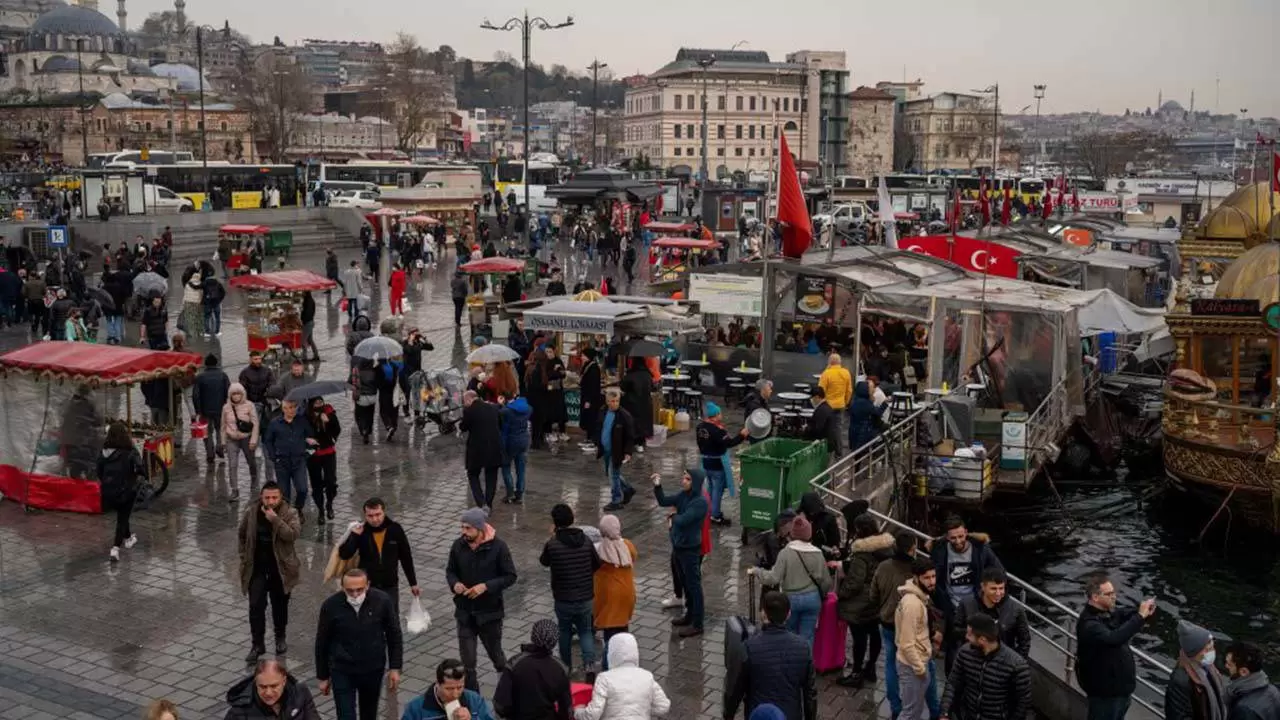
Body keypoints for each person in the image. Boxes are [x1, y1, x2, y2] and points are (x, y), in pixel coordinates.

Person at [315, 569, 404, 720]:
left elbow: (394, 634)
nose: (355, 595)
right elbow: (322, 641)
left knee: (369, 714)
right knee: (345, 715)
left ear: (368, 585)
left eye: (359, 590)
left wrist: (395, 667)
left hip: (372, 669)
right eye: (350, 591)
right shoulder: (331, 606)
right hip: (342, 670)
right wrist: (323, 676)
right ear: (342, 587)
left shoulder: (382, 601)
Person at [447, 508, 519, 693]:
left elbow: (510, 576)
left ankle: (507, 690)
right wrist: (455, 584)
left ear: (480, 529)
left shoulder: (498, 547)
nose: (464, 532)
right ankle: (473, 700)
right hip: (465, 613)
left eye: (468, 528)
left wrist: (485, 586)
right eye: (462, 527)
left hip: (490, 614)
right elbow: (451, 571)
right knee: (468, 663)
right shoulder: (458, 546)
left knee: (497, 656)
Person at [1075, 573, 1157, 720]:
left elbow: (1122, 614)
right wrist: (1139, 617)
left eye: (1114, 592)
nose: (1114, 596)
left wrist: (1141, 610)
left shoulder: (1107, 613)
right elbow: (1114, 638)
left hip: (1118, 690)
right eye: (1109, 594)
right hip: (1104, 694)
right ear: (1095, 597)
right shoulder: (1089, 625)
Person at [723, 592, 817, 720]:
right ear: (788, 614)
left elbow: (734, 690)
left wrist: (728, 715)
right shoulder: (804, 648)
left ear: (763, 614)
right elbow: (810, 694)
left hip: (758, 714)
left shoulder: (748, 647)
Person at [237, 482, 300, 661]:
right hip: (256, 569)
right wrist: (244, 556)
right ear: (262, 497)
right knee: (255, 606)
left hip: (281, 569)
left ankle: (280, 636)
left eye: (274, 497)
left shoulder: (290, 512)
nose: (270, 501)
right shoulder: (251, 512)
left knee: (279, 606)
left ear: (280, 498)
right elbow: (241, 534)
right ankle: (257, 644)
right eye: (267, 497)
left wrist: (275, 520)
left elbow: (292, 535)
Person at [930, 515, 1003, 671]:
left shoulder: (980, 549)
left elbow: (998, 570)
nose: (958, 541)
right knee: (953, 645)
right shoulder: (940, 550)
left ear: (967, 533)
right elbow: (933, 577)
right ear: (946, 538)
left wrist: (988, 593)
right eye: (953, 538)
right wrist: (942, 602)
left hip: (974, 604)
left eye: (961, 536)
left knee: (977, 642)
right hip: (950, 604)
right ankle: (952, 679)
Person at [750, 515, 830, 647]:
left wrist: (758, 571)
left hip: (791, 599)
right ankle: (806, 665)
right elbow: (826, 582)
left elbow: (773, 578)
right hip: (813, 599)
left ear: (792, 534)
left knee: (789, 635)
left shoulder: (785, 553)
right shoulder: (818, 553)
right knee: (808, 637)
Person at [540, 504, 601, 675]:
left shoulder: (553, 544)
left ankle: (566, 667)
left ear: (555, 522)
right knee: (585, 630)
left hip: (563, 598)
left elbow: (544, 561)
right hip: (585, 596)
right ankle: (589, 664)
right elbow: (597, 564)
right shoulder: (586, 540)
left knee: (564, 631)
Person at [836, 512, 894, 688]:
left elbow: (855, 582)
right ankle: (871, 667)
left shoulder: (862, 553)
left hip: (860, 603)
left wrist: (841, 593)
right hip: (878, 599)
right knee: (874, 632)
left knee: (859, 637)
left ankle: (856, 673)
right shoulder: (887, 548)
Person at [939, 613, 1031, 720]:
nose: (966, 637)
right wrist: (944, 712)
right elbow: (952, 683)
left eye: (969, 634)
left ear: (982, 640)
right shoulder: (965, 652)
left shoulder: (1016, 665)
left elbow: (1023, 704)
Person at [339, 497, 419, 618]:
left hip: (390, 584)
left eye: (378, 514)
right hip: (368, 586)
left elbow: (406, 557)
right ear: (365, 515)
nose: (375, 519)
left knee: (391, 618)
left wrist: (413, 583)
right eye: (370, 516)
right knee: (368, 619)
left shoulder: (395, 529)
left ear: (384, 512)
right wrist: (354, 536)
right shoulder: (362, 531)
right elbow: (344, 554)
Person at [653, 468, 708, 637]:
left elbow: (684, 520)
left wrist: (672, 518)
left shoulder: (699, 502)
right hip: (678, 547)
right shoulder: (683, 496)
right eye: (684, 478)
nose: (683, 481)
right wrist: (658, 486)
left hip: (690, 549)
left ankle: (697, 623)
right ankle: (689, 615)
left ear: (695, 483)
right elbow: (663, 501)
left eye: (688, 479)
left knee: (694, 586)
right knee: (685, 583)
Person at [574, 633, 671, 720]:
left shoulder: (604, 678)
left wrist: (578, 711)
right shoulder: (647, 676)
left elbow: (593, 715)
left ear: (611, 653)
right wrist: (641, 711)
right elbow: (663, 706)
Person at [493, 619, 572, 720]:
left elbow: (501, 704)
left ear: (533, 636)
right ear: (554, 642)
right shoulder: (561, 668)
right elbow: (566, 708)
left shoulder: (514, 664)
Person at [895, 558, 941, 720]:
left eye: (933, 576)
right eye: (926, 578)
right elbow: (907, 643)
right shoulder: (912, 604)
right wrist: (920, 668)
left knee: (915, 709)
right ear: (916, 578)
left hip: (918, 661)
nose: (932, 581)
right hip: (913, 665)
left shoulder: (919, 597)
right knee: (911, 712)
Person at [953, 567, 1031, 660]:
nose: (998, 593)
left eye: (1001, 588)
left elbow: (1024, 642)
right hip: (972, 660)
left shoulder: (1016, 609)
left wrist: (1015, 665)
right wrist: (973, 635)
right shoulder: (966, 604)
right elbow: (955, 631)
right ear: (983, 586)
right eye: (993, 588)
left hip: (1001, 663)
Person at [593, 514, 638, 671]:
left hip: (609, 600)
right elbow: (634, 557)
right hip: (627, 595)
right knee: (623, 632)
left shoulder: (599, 550)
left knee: (610, 639)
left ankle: (608, 668)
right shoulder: (627, 545)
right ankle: (623, 662)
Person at [696, 402, 749, 526]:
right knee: (717, 491)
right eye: (720, 413)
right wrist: (742, 435)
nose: (721, 415)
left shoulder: (700, 427)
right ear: (715, 415)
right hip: (717, 465)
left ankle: (708, 512)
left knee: (709, 488)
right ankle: (715, 515)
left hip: (705, 463)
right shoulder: (717, 431)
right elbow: (729, 443)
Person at [97, 421, 143, 562]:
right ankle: (115, 548)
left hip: (107, 492)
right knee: (122, 519)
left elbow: (99, 472)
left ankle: (129, 538)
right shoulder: (129, 452)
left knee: (122, 515)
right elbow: (141, 468)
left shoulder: (103, 453)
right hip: (125, 491)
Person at [263, 400, 316, 522]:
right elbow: (268, 440)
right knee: (284, 491)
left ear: (296, 408)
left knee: (302, 489)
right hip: (282, 462)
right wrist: (273, 456)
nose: (290, 410)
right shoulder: (275, 423)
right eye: (287, 408)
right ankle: (286, 513)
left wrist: (308, 452)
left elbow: (311, 436)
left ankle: (298, 508)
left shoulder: (302, 421)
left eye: (292, 407)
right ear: (283, 409)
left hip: (299, 460)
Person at [1164, 620, 1227, 720]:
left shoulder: (1207, 666)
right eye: (1207, 649)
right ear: (1194, 652)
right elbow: (1179, 716)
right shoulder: (1180, 681)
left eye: (1212, 647)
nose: (1212, 652)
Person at [223, 658, 321, 720]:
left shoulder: (300, 692)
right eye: (262, 687)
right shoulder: (238, 712)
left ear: (284, 681)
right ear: (255, 682)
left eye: (274, 686)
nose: (268, 693)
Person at [402, 659, 496, 720]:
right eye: (449, 688)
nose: (455, 694)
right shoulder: (416, 709)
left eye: (460, 687)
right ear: (438, 684)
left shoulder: (475, 701)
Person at [238, 351, 276, 483]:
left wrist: (269, 392)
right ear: (250, 359)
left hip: (264, 403)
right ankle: (257, 445)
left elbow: (272, 383)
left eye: (259, 358)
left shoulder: (267, 371)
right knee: (254, 426)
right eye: (255, 359)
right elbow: (242, 388)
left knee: (264, 425)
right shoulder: (245, 373)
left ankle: (262, 445)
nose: (258, 361)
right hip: (251, 404)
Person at [461, 390, 503, 510]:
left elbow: (464, 427)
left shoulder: (469, 411)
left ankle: (481, 502)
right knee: (491, 476)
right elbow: (500, 423)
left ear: (469, 399)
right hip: (494, 447)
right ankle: (489, 502)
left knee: (472, 474)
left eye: (465, 402)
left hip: (476, 449)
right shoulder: (493, 408)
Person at [598, 388, 637, 512]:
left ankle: (616, 500)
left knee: (613, 474)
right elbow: (599, 426)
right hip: (606, 448)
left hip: (617, 450)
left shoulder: (624, 416)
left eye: (616, 401)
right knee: (613, 473)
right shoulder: (603, 411)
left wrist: (627, 452)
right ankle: (627, 489)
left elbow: (630, 436)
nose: (613, 403)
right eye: (611, 401)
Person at [303, 396, 340, 522]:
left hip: (328, 452)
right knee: (316, 484)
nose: (319, 404)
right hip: (313, 454)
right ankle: (320, 511)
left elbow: (337, 430)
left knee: (331, 481)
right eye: (316, 402)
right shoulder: (305, 416)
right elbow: (301, 432)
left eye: (321, 402)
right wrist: (307, 439)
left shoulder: (329, 413)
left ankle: (329, 504)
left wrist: (328, 422)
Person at [1223, 641, 1280, 720]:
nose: (1226, 666)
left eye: (1229, 664)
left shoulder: (1244, 710)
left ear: (1244, 672)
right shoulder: (1273, 690)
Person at [222, 383, 259, 499]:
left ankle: (254, 476)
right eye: (233, 394)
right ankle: (234, 489)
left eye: (238, 393)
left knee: (251, 461)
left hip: (246, 438)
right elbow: (222, 426)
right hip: (231, 439)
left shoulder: (249, 405)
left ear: (242, 394)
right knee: (232, 464)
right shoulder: (226, 408)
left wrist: (253, 440)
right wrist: (223, 442)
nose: (236, 396)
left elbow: (255, 424)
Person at [193, 353, 231, 466]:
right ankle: (220, 446)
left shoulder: (200, 377)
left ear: (206, 364)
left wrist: (198, 411)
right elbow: (228, 392)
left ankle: (210, 454)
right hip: (221, 409)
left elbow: (196, 395)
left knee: (207, 432)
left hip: (205, 410)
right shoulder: (223, 375)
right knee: (220, 429)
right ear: (216, 363)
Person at [499, 394, 532, 503]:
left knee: (506, 467)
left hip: (510, 441)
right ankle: (520, 494)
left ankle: (510, 494)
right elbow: (530, 408)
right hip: (524, 440)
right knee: (521, 469)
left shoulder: (507, 411)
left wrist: (501, 404)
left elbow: (499, 413)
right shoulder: (527, 409)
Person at [818, 353, 853, 449]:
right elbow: (849, 390)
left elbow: (821, 390)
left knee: (827, 428)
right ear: (840, 362)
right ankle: (839, 451)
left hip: (828, 405)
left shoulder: (826, 373)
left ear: (829, 362)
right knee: (838, 428)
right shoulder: (846, 373)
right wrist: (846, 402)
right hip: (840, 404)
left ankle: (830, 449)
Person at [619, 358, 654, 451]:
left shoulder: (631, 375)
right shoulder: (648, 375)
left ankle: (632, 443)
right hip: (646, 404)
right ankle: (640, 444)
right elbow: (653, 387)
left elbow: (622, 387)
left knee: (632, 424)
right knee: (643, 424)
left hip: (632, 404)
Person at [795, 491, 841, 560]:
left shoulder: (828, 518)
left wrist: (834, 548)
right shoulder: (800, 517)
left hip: (823, 555)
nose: (812, 513)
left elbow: (835, 541)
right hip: (803, 554)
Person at [847, 381, 885, 457]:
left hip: (854, 429)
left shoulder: (855, 400)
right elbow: (877, 412)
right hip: (863, 431)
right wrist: (884, 404)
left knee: (856, 453)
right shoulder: (865, 403)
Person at [804, 387, 841, 461]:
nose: (811, 400)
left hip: (825, 446)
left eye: (812, 398)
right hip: (830, 444)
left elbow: (817, 428)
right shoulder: (827, 407)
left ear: (817, 397)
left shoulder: (821, 410)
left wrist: (807, 428)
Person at [577, 348, 602, 452]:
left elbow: (592, 386)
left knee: (591, 418)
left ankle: (592, 440)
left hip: (591, 398)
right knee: (587, 417)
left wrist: (588, 400)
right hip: (587, 396)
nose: (582, 357)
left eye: (583, 355)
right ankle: (588, 438)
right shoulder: (588, 366)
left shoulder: (593, 368)